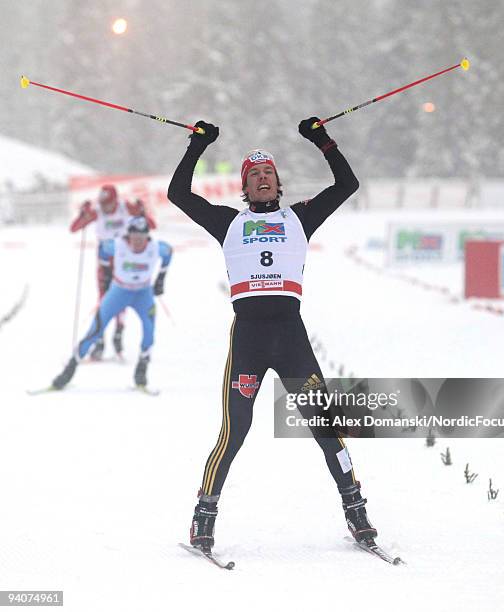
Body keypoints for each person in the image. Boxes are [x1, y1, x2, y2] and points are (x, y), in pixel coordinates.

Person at [167, 117, 378, 553]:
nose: (263, 179)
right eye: (254, 175)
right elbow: (178, 195)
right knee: (235, 430)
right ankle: (203, 516)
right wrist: (196, 145)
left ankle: (355, 509)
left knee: (324, 426)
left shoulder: (300, 217)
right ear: (245, 187)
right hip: (248, 338)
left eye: (269, 174)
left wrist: (322, 140)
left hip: (291, 337)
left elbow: (347, 184)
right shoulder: (227, 221)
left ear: (278, 183)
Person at [51, 216, 171, 390]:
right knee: (95, 330)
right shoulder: (116, 245)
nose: (138, 241)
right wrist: (106, 273)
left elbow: (168, 254)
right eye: (134, 237)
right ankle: (68, 371)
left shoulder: (157, 248)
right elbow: (102, 250)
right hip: (119, 291)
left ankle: (141, 370)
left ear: (147, 236)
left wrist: (161, 278)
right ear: (128, 236)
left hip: (143, 293)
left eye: (142, 237)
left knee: (149, 331)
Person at [70, 184, 157, 360]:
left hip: (124, 259)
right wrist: (82, 214)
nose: (105, 208)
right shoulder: (97, 210)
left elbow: (151, 225)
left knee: (122, 299)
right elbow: (74, 228)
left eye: (108, 204)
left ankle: (118, 334)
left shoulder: (126, 207)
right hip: (104, 260)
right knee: (104, 301)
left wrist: (141, 211)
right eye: (102, 203)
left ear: (115, 200)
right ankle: (99, 342)